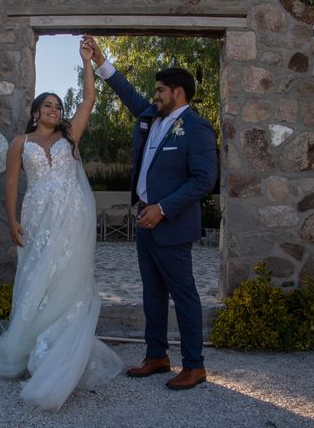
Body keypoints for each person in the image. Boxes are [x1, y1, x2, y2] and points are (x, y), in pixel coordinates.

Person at [0, 38, 123, 410]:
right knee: (37, 277)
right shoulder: (19, 143)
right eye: (48, 106)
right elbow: (11, 184)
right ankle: (29, 350)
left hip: (73, 218)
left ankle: (61, 354)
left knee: (68, 279)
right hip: (37, 216)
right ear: (36, 111)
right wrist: (11, 219)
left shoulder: (69, 137)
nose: (55, 110)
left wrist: (86, 62)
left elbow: (88, 101)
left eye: (58, 106)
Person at [85, 35, 217, 390]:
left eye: (160, 90)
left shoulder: (197, 128)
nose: (154, 95)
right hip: (145, 221)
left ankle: (194, 365)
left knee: (184, 294)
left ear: (178, 93)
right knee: (152, 293)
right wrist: (100, 60)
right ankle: (156, 355)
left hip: (170, 224)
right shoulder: (151, 116)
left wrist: (162, 208)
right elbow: (126, 92)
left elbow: (205, 179)